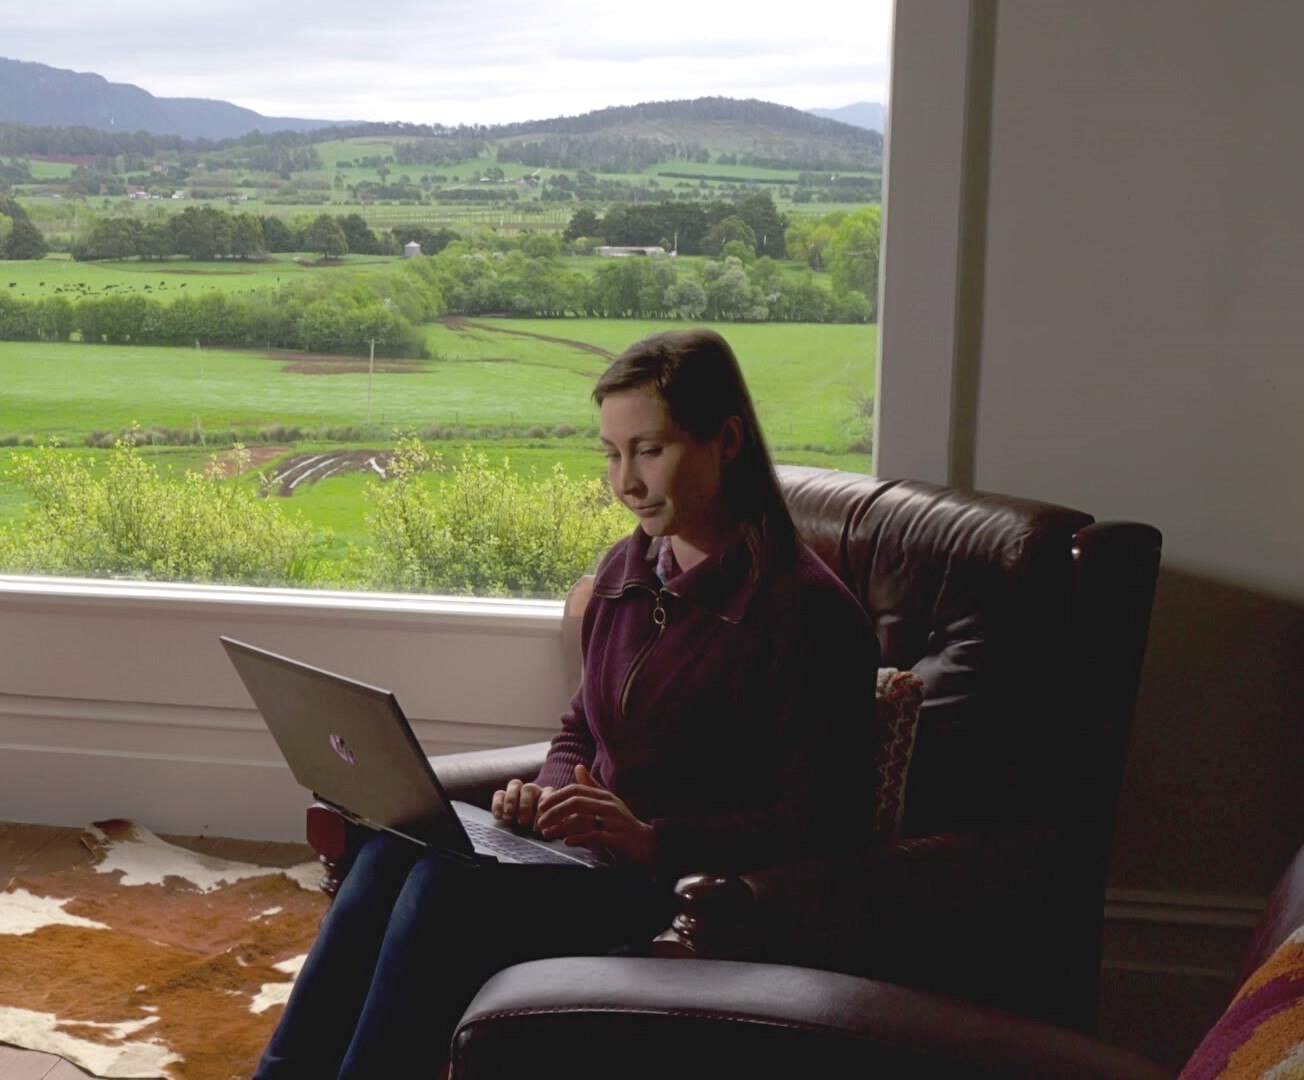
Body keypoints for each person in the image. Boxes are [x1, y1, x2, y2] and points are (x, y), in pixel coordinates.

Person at [253, 328, 878, 1079]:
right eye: (612, 454)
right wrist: (546, 793)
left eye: (649, 450)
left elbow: (825, 825)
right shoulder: (629, 566)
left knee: (443, 888)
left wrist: (653, 839)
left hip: (672, 889)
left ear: (728, 439)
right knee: (394, 848)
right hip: (579, 860)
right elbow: (580, 728)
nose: (627, 481)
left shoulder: (805, 613)